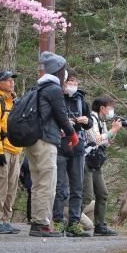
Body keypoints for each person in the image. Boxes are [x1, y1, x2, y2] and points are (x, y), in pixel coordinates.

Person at [25, 51, 78, 237]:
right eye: (64, 70)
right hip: (46, 141)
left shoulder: (37, 87)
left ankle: (37, 222)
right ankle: (42, 224)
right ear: (58, 70)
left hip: (32, 140)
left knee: (37, 183)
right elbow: (61, 115)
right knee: (47, 183)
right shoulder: (54, 89)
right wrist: (72, 135)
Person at [52, 70, 93, 237]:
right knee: (60, 187)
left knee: (77, 188)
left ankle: (74, 223)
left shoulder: (81, 99)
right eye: (70, 82)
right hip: (60, 146)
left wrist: (86, 121)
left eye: (76, 82)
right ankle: (57, 221)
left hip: (78, 147)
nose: (73, 85)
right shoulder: (56, 97)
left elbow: (90, 122)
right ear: (63, 83)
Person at [0, 70, 23, 235]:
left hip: (16, 149)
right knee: (0, 185)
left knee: (11, 187)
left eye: (12, 79)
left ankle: (6, 220)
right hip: (2, 149)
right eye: (7, 80)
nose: (11, 82)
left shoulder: (14, 102)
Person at [84, 95, 123, 236]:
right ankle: (70, 221)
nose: (112, 111)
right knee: (87, 196)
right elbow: (96, 139)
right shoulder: (91, 119)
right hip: (86, 160)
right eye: (110, 108)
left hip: (95, 161)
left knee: (102, 193)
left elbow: (105, 142)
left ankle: (100, 226)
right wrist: (112, 131)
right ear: (102, 108)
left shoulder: (102, 121)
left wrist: (114, 131)